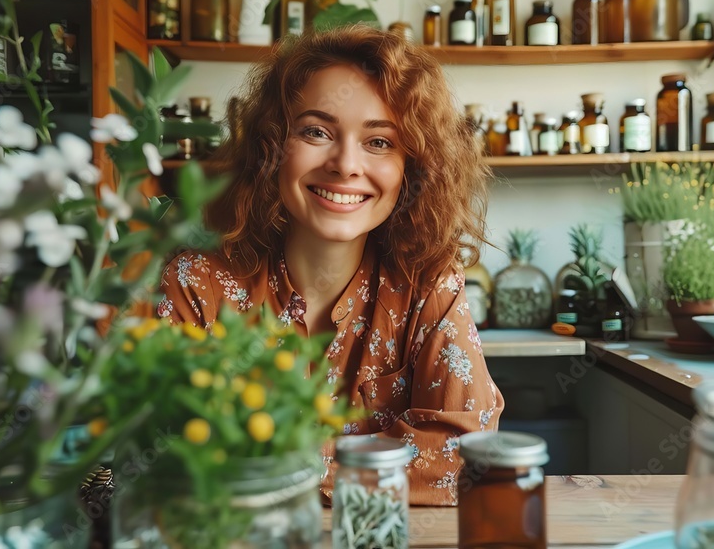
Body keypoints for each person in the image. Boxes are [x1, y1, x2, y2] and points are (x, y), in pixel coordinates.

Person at [157, 25, 503, 506]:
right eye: (316, 131)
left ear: (412, 168)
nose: (345, 164)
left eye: (379, 142)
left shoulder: (428, 282)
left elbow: (466, 451)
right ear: (271, 148)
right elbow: (166, 453)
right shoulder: (198, 285)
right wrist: (372, 465)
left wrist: (281, 470)